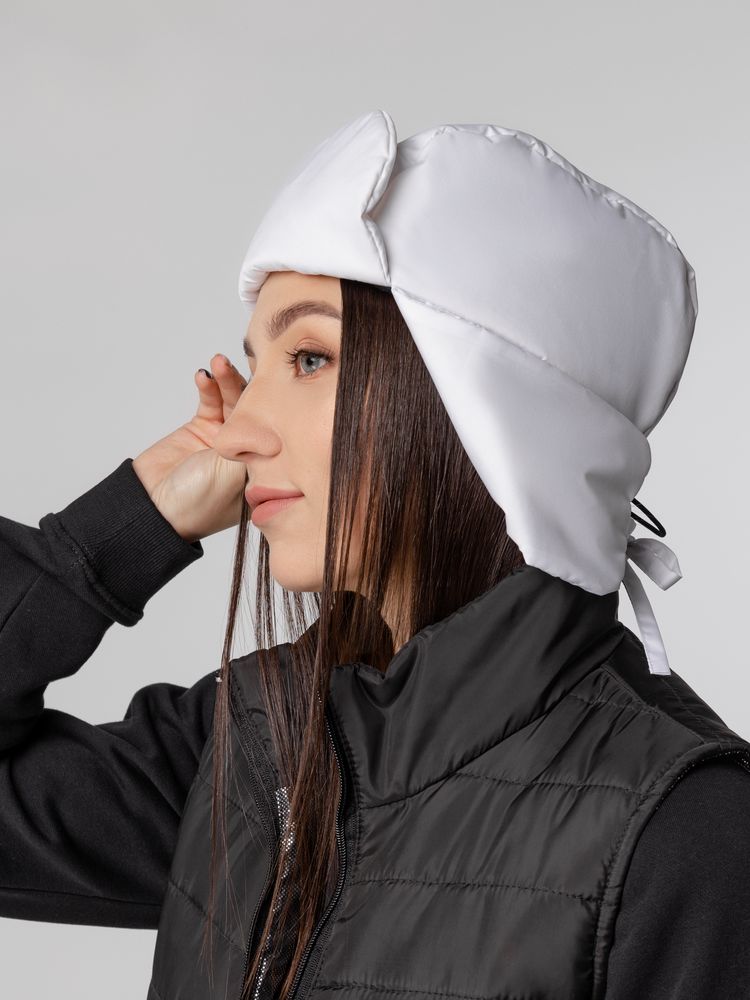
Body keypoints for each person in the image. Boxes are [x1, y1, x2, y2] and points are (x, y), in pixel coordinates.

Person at [2, 112, 750, 1000]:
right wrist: (124, 527)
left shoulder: (685, 830)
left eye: (309, 358)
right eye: (256, 364)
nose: (237, 429)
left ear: (483, 407)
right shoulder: (257, 745)